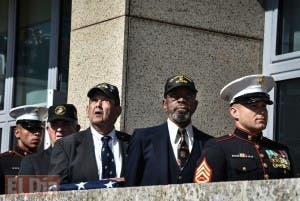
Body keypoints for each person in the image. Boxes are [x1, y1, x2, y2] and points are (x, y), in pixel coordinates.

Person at [194, 74, 293, 183]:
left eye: (263, 106)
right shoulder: (219, 148)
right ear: (235, 112)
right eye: (254, 106)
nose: (261, 111)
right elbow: (203, 192)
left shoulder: (280, 150)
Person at [124, 74, 213, 186]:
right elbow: (129, 187)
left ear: (195, 105)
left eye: (188, 96)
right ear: (165, 104)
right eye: (174, 96)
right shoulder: (142, 139)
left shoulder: (210, 144)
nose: (181, 100)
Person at [48, 83, 131, 184]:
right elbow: (55, 189)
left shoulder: (131, 143)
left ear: (118, 111)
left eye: (105, 100)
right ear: (87, 110)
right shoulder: (66, 146)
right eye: (94, 100)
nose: (98, 105)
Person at [19, 104, 80, 175]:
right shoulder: (33, 162)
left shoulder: (89, 158)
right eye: (54, 124)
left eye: (65, 124)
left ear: (77, 129)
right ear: (48, 130)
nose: (59, 129)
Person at [0, 105, 47, 194]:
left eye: (39, 129)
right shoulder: (3, 162)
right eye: (31, 128)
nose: (37, 133)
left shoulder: (47, 161)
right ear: (17, 132)